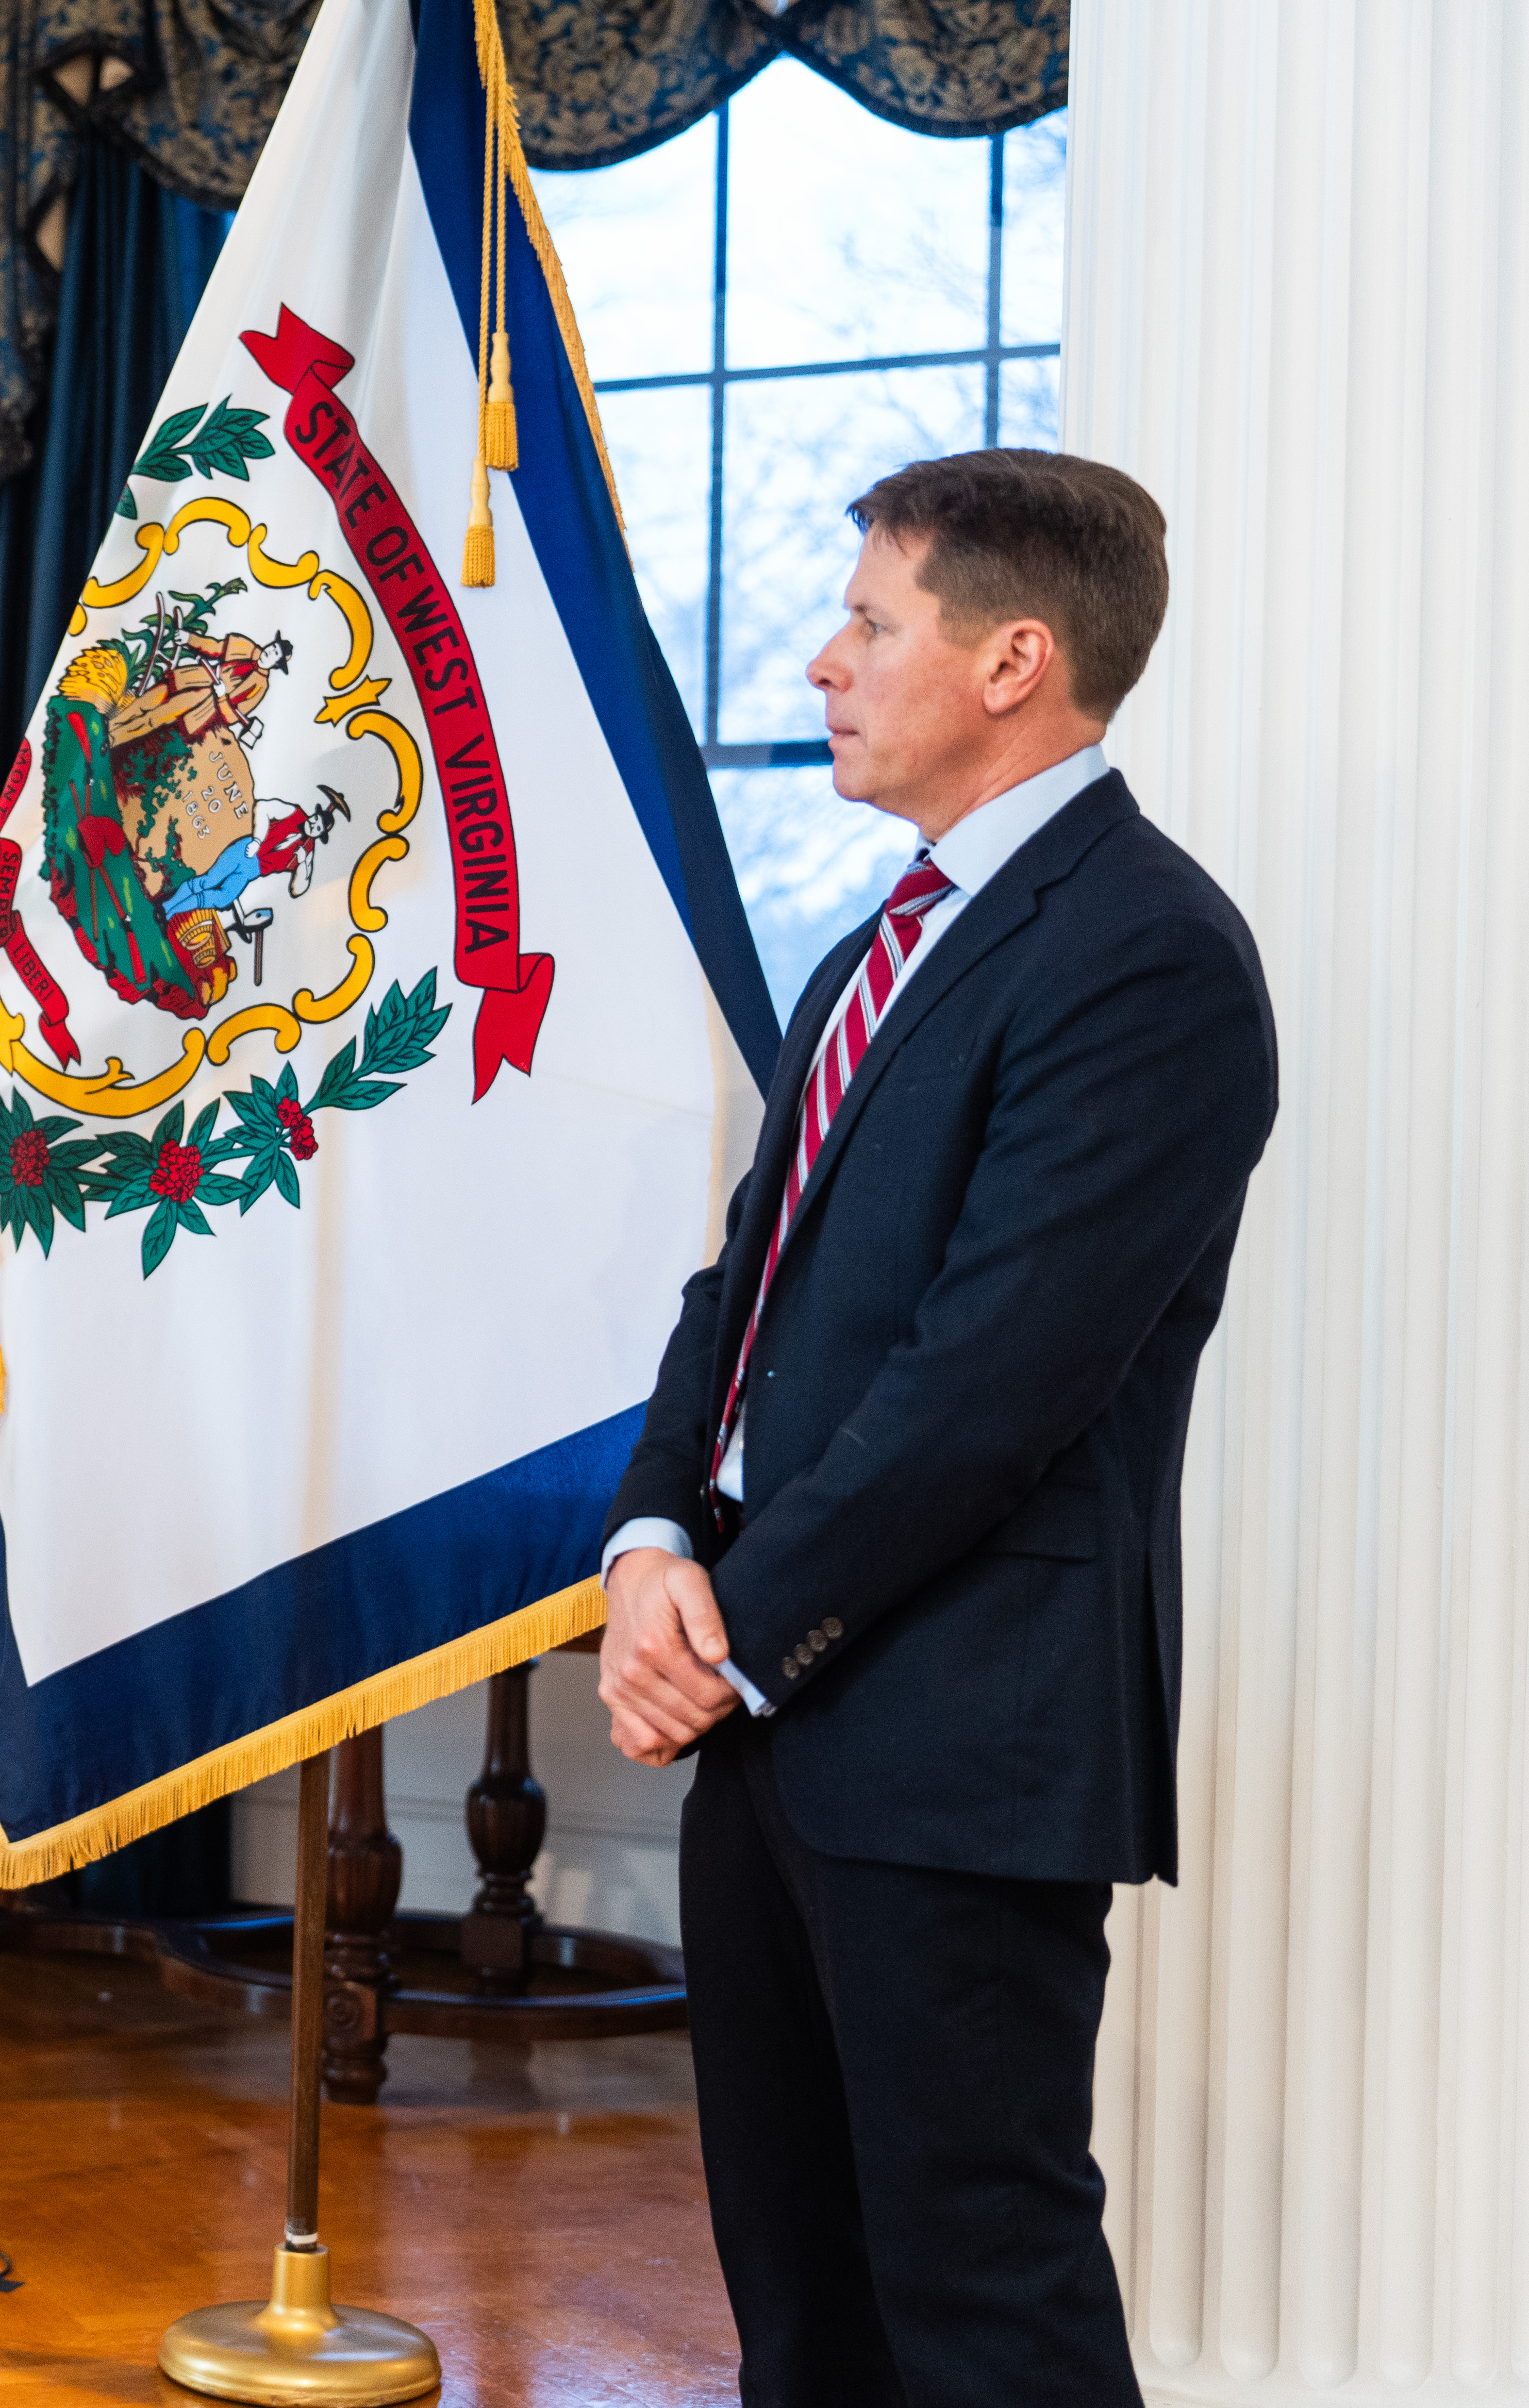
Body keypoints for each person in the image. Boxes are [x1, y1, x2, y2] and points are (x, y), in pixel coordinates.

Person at [595, 451, 1277, 2404]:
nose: (823, 662)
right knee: (800, 2304)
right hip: (779, 1717)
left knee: (984, 2306)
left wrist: (725, 1639)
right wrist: (656, 1540)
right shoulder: (881, 941)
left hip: (959, 1731)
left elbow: (991, 1387)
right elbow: (746, 1295)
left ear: (1015, 661)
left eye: (872, 622)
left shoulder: (1146, 953)